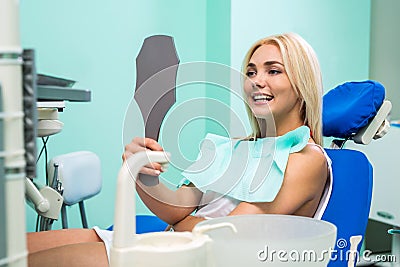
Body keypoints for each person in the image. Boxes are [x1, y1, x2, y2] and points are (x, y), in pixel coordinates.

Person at [27, 32, 330, 267]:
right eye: (251, 73)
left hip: (193, 259)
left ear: (302, 84)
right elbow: (177, 207)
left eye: (273, 71)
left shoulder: (304, 159)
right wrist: (143, 172)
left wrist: (180, 222)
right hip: (170, 246)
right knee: (19, 248)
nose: (256, 82)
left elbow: (223, 238)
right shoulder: (236, 147)